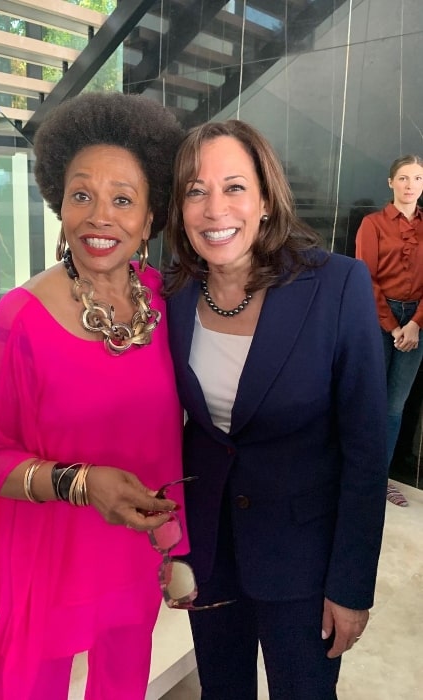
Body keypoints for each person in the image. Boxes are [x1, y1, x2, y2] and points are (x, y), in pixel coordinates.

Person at [0, 91, 188, 700]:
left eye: (122, 199)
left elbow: (173, 438)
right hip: (49, 560)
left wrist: (177, 543)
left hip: (132, 552)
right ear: (59, 201)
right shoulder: (19, 322)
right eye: (81, 194)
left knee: (122, 684)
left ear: (150, 216)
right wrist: (81, 483)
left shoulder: (167, 302)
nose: (99, 216)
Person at [164, 119, 388, 700]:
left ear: (265, 199)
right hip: (212, 554)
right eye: (196, 190)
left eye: (234, 187)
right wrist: (177, 545)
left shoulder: (337, 285)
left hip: (304, 564)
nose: (215, 208)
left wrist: (352, 584)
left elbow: (366, 451)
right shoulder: (173, 296)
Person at [356, 155, 423, 507]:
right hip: (378, 317)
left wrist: (414, 324)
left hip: (418, 323)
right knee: (369, 401)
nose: (410, 185)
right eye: (403, 178)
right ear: (391, 182)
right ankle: (359, 476)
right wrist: (394, 325)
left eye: (417, 178)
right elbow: (365, 278)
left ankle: (380, 479)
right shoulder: (373, 224)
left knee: (395, 406)